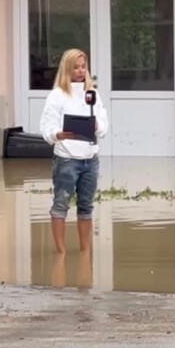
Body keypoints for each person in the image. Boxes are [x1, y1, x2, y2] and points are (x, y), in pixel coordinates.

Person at [39, 48, 109, 255]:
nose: (80, 71)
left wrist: (97, 126)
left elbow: (104, 125)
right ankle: (60, 252)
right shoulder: (57, 96)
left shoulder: (93, 94)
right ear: (66, 69)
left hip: (90, 160)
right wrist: (58, 135)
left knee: (86, 207)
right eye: (75, 67)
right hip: (66, 160)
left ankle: (84, 251)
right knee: (61, 204)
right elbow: (46, 127)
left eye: (83, 67)